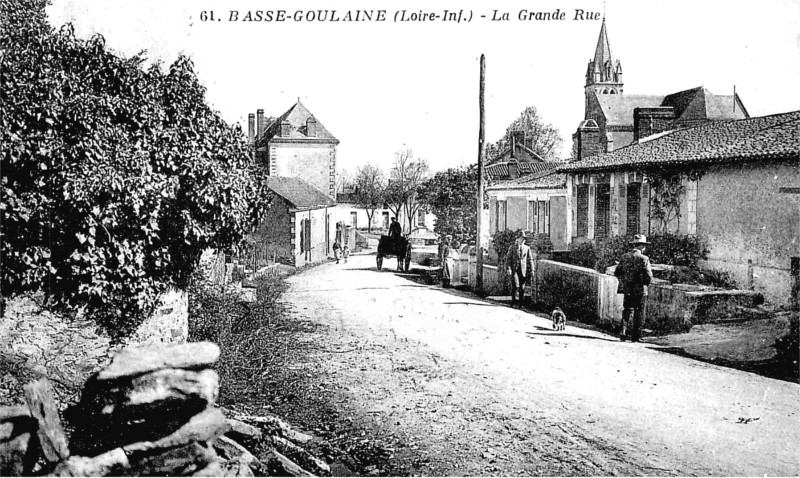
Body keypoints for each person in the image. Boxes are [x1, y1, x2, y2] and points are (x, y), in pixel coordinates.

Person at [614, 234, 654, 342]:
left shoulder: (624, 257)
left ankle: (623, 332)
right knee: (639, 312)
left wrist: (624, 282)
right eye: (644, 245)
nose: (645, 248)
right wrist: (645, 284)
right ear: (641, 246)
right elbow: (649, 276)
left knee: (627, 310)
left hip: (627, 289)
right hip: (640, 290)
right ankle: (636, 337)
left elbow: (617, 272)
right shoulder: (644, 258)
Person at [505, 232, 534, 306]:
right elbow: (508, 259)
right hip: (514, 269)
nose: (523, 240)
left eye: (524, 239)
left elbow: (530, 259)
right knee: (514, 285)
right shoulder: (512, 247)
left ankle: (520, 303)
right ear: (517, 239)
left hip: (523, 269)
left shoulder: (527, 248)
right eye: (522, 238)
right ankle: (513, 301)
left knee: (522, 286)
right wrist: (509, 269)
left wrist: (532, 270)